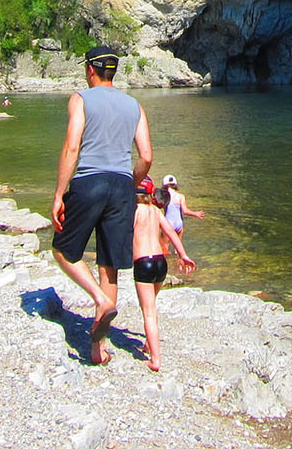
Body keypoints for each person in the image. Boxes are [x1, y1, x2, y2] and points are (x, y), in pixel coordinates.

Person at [50, 45, 153, 366]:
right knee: (109, 265)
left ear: (90, 70)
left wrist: (59, 193)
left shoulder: (80, 98)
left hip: (89, 181)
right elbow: (147, 156)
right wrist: (130, 183)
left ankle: (98, 299)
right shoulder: (134, 105)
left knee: (63, 250)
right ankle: (98, 349)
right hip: (123, 185)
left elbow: (72, 145)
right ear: (114, 71)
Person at [132, 185, 195, 372]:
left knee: (149, 312)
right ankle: (148, 343)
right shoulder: (156, 212)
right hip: (161, 264)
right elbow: (171, 233)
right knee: (152, 306)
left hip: (144, 263)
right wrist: (183, 255)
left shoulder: (133, 211)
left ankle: (155, 359)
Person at [159, 173, 206, 246]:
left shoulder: (163, 196)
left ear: (164, 185)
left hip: (168, 223)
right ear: (175, 184)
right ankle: (178, 257)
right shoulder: (180, 196)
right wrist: (196, 213)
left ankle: (167, 257)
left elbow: (158, 206)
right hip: (179, 224)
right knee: (179, 249)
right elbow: (185, 211)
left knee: (164, 247)